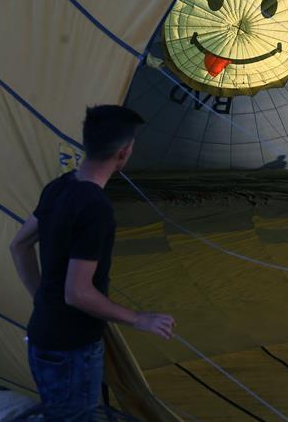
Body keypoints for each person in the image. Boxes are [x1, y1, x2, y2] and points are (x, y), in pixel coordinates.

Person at [9, 105, 175, 419]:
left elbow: (19, 245)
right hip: (71, 350)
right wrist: (140, 319)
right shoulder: (96, 208)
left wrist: (42, 298)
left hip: (42, 336)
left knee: (59, 410)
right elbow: (78, 293)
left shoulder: (58, 187)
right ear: (124, 152)